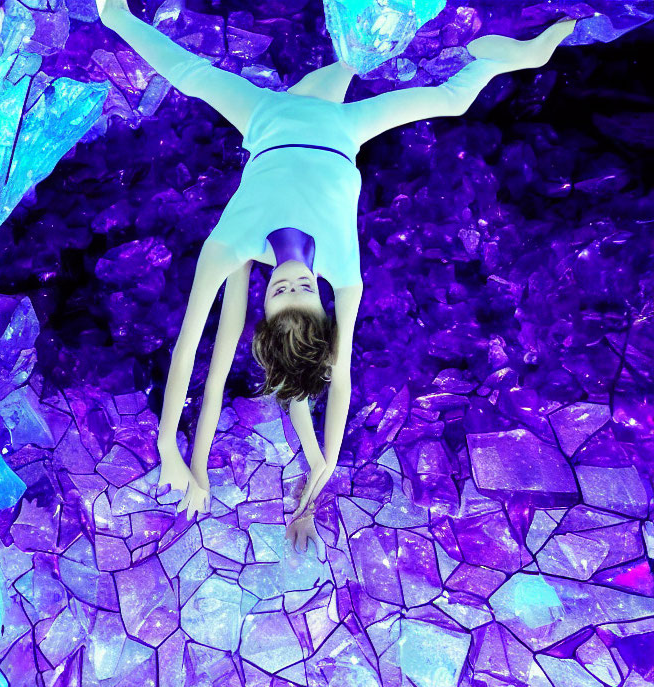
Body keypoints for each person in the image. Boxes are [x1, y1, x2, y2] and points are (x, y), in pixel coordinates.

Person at [95, 0, 576, 554]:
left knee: (194, 75)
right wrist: (318, 478)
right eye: (305, 290)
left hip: (266, 119)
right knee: (451, 95)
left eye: (279, 288)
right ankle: (515, 54)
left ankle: (114, 16)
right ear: (323, 305)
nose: (295, 278)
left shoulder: (233, 245)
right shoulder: (344, 273)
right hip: (340, 132)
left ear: (265, 298)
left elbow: (195, 350)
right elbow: (337, 380)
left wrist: (173, 451)